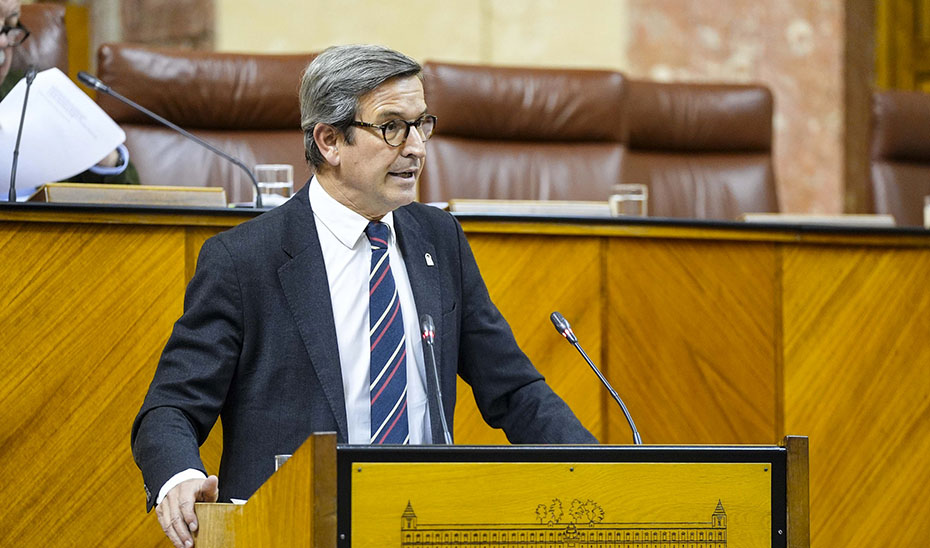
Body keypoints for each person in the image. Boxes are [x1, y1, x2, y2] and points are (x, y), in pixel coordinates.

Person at [132, 44, 597, 548]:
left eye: (422, 124)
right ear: (330, 140)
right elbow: (171, 408)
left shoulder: (439, 239)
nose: (416, 148)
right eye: (392, 127)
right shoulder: (245, 260)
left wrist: (603, 471)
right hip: (291, 528)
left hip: (421, 524)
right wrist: (179, 477)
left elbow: (514, 390)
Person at [0, 0, 138, 191]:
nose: (3, 42)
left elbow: (129, 193)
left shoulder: (36, 93)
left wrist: (105, 157)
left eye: (10, 25)